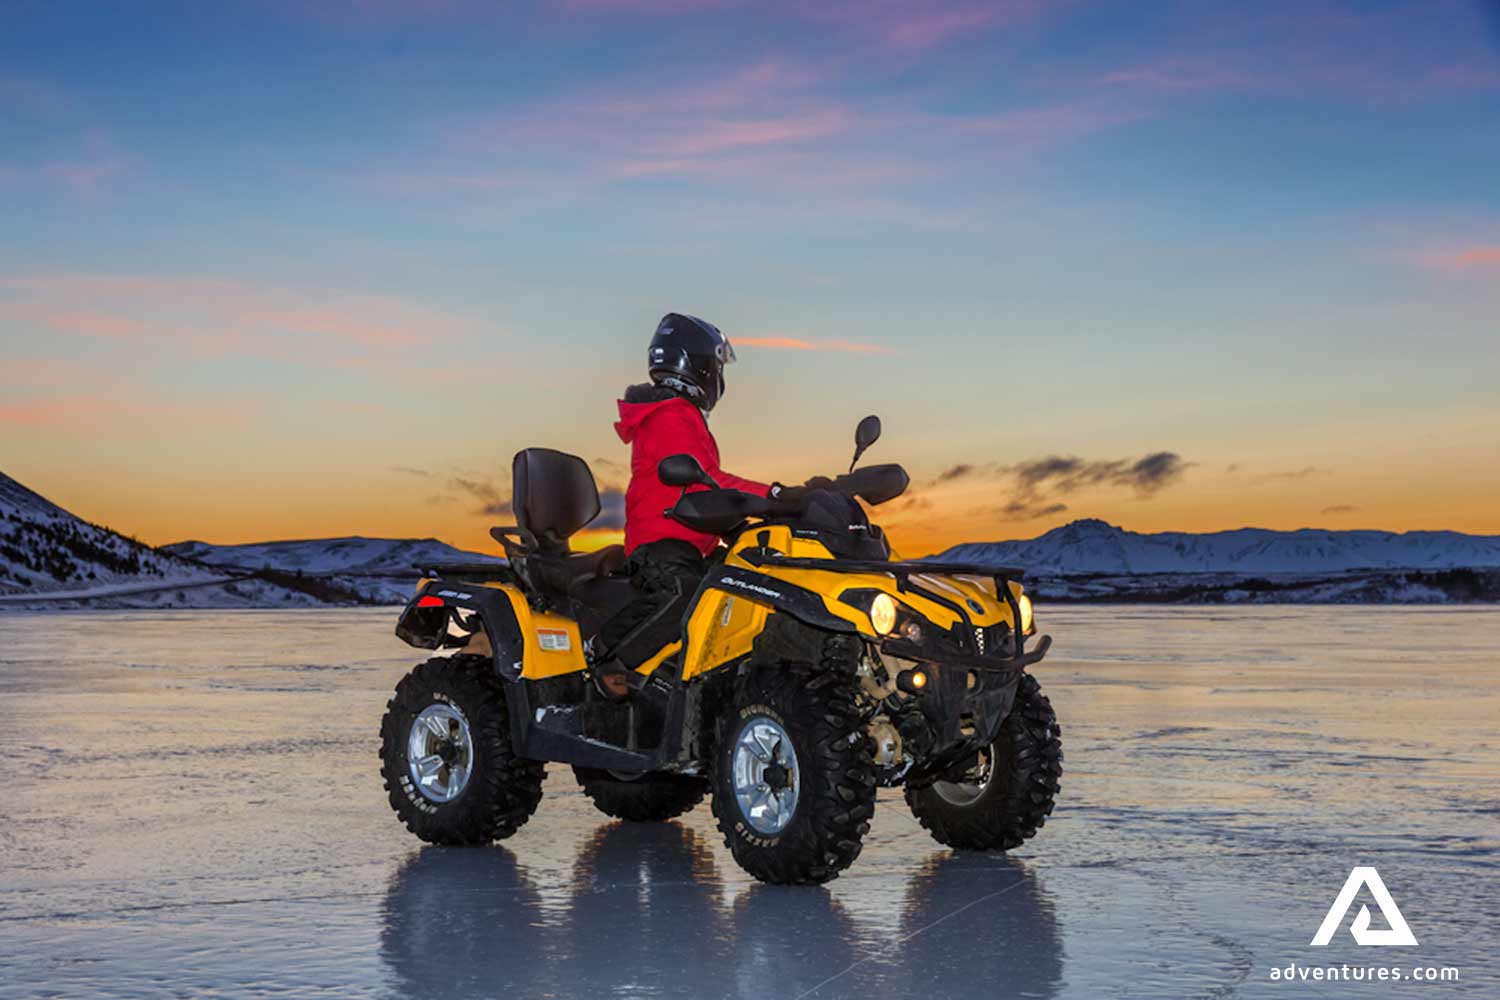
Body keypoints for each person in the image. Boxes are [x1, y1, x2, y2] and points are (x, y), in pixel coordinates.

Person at [592, 313, 770, 698]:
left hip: (690, 539)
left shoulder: (676, 414)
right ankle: (608, 657)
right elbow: (706, 479)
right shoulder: (671, 414)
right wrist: (770, 496)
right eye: (717, 366)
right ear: (701, 366)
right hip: (662, 543)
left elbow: (705, 484)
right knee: (684, 593)